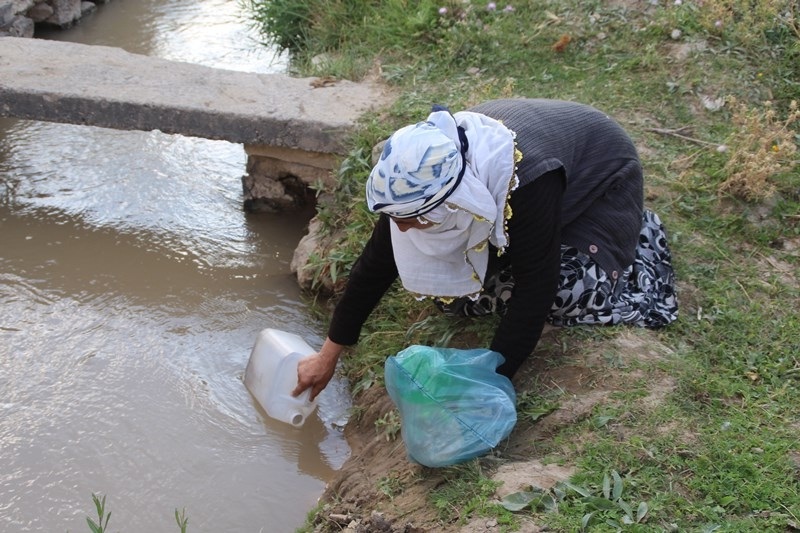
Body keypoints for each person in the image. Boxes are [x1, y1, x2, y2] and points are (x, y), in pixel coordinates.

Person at [292, 98, 678, 401]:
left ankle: (624, 248)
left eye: (411, 219)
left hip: (598, 191)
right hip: (552, 179)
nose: (402, 228)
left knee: (566, 292)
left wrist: (487, 383)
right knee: (454, 291)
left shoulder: (524, 182)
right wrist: (327, 355)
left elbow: (535, 288)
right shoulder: (414, 181)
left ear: (456, 201)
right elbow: (376, 263)